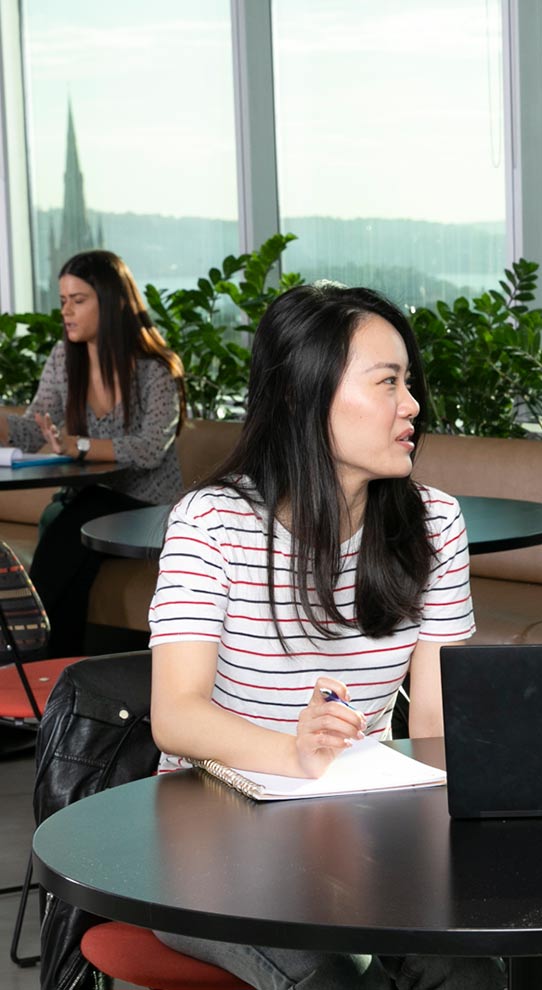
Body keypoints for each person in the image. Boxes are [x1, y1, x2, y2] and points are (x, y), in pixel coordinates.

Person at [147, 283, 502, 990]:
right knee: (330, 979)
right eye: (387, 382)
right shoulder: (211, 523)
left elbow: (436, 725)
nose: (412, 405)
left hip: (365, 827)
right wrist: (295, 753)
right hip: (211, 835)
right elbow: (176, 716)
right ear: (299, 397)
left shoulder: (433, 523)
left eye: (409, 382)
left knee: (468, 970)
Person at [0, 249, 185, 655]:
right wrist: (3, 425)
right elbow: (34, 427)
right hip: (91, 500)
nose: (66, 311)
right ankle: (54, 669)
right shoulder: (64, 360)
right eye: (63, 300)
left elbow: (150, 449)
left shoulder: (156, 369)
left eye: (78, 300)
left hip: (147, 504)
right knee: (74, 555)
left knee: (68, 528)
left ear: (112, 303)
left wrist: (79, 445)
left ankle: (24, 651)